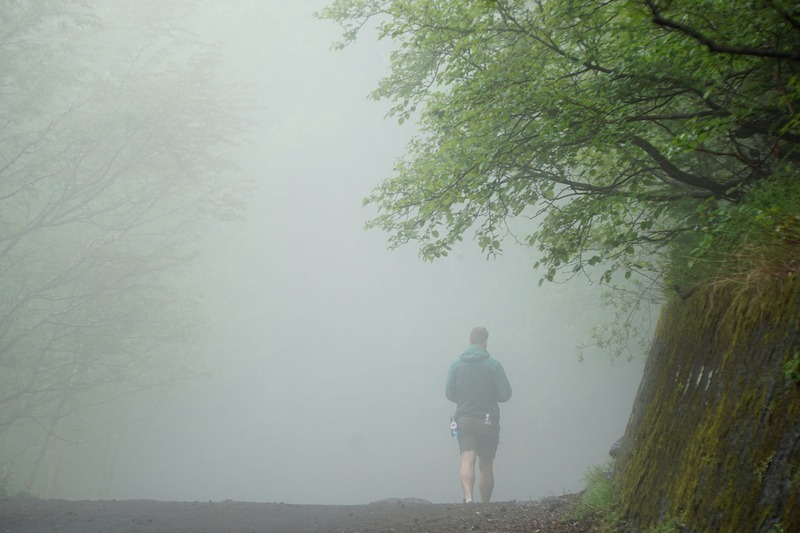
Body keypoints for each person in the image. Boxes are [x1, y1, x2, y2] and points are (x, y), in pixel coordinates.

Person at [445, 326, 512, 504]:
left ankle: (468, 497)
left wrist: (464, 398)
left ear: (469, 341)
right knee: (486, 464)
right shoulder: (494, 365)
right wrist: (490, 395)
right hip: (488, 420)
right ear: (485, 342)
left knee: (467, 460)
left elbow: (449, 393)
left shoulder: (456, 364)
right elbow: (505, 394)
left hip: (464, 419)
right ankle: (484, 503)